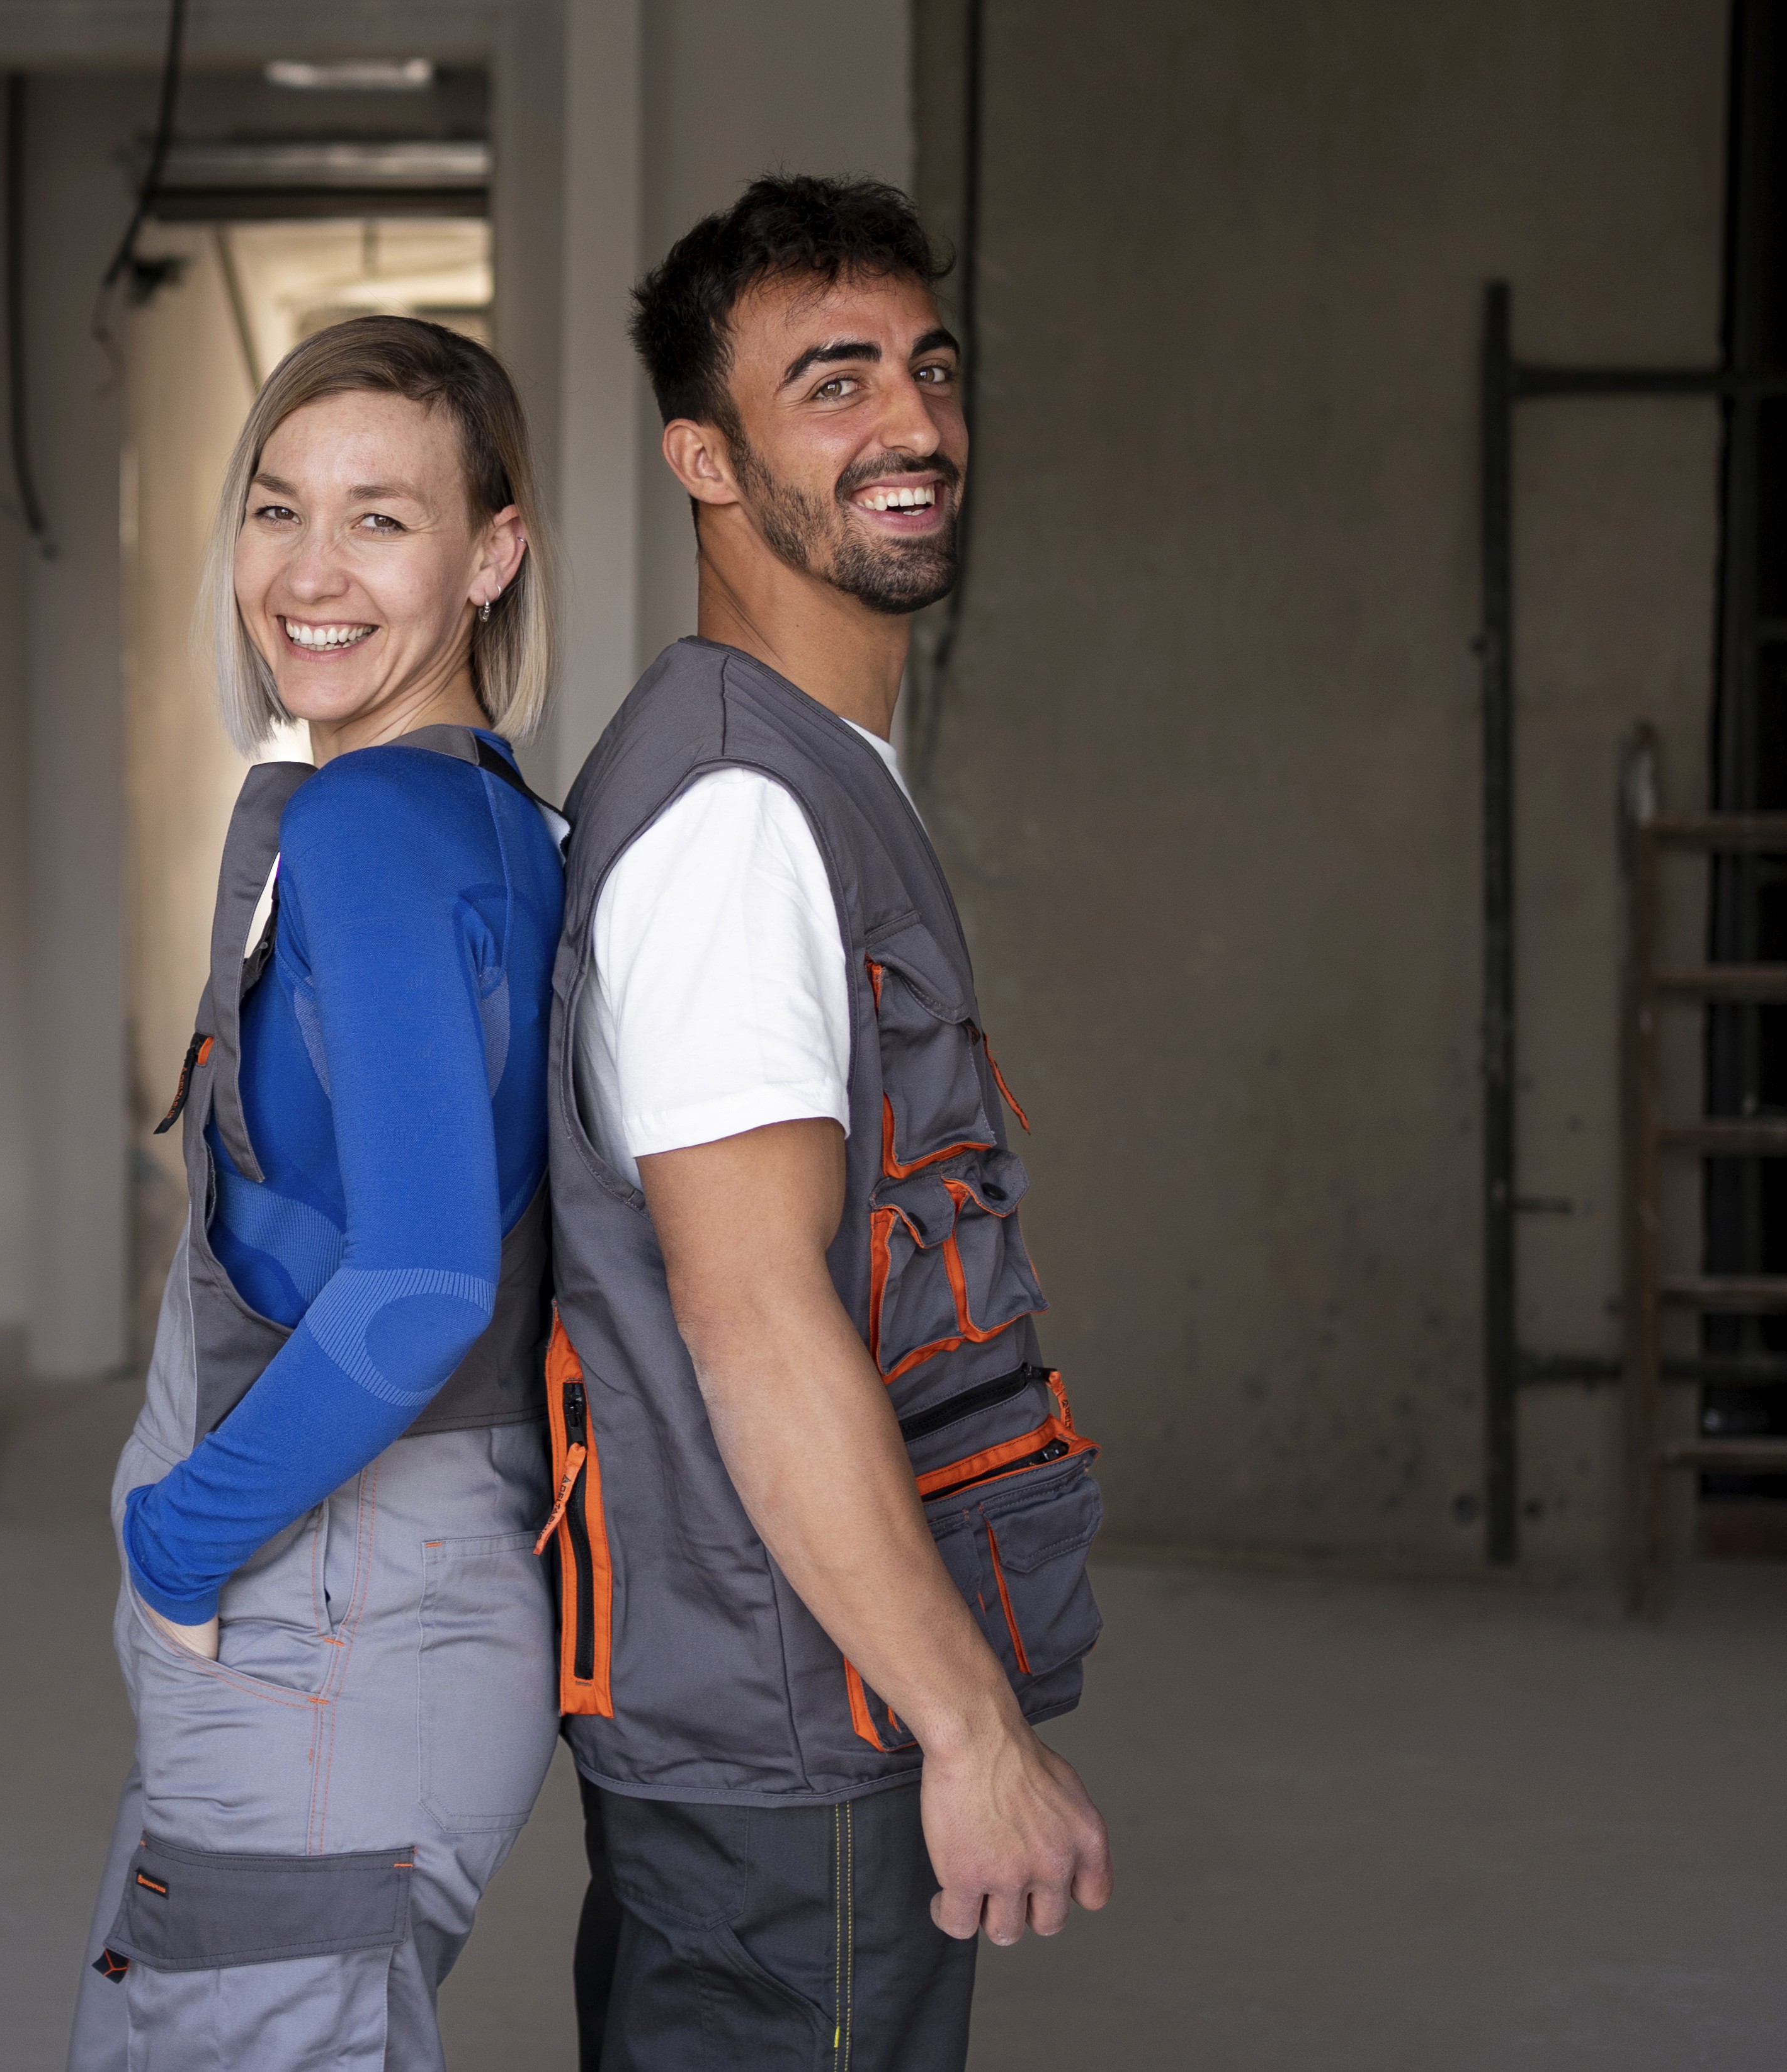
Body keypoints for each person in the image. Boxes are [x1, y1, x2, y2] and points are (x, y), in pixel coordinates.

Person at [543, 176, 1113, 2069]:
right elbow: (749, 1310)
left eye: (929, 370)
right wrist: (968, 1728)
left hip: (785, 1711)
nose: (914, 425)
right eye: (833, 382)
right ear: (701, 458)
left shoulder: (802, 770)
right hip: (798, 1735)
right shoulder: (732, 819)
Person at [68, 316, 567, 2072]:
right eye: (278, 509)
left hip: (336, 1599)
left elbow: (424, 1277)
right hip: (398, 1597)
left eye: (379, 518)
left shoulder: (362, 829)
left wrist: (179, 1535)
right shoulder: (496, 817)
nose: (307, 570)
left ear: (492, 552)